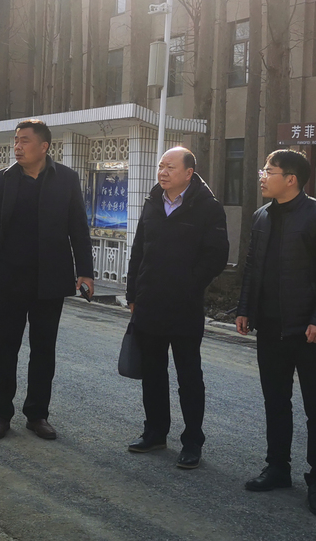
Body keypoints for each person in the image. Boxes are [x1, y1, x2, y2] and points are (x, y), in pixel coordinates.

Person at [235, 149, 316, 517]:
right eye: (263, 170)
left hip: (307, 330)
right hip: (269, 328)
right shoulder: (262, 216)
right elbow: (252, 268)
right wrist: (245, 309)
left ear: (291, 179)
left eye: (269, 171)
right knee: (275, 401)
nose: (262, 176)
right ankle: (277, 468)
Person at [0, 119, 93, 441]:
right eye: (16, 140)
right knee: (4, 348)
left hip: (50, 279)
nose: (17, 146)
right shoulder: (2, 180)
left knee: (44, 349)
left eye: (25, 141)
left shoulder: (66, 179)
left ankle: (37, 414)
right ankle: (0, 413)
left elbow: (78, 228)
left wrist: (85, 270)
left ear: (44, 146)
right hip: (8, 279)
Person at [125, 147, 229, 469]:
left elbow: (216, 256)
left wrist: (189, 284)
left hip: (185, 305)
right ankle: (155, 432)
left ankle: (192, 441)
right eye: (161, 166)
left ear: (189, 173)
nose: (163, 172)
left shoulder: (208, 207)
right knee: (153, 372)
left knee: (189, 376)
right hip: (150, 303)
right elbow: (139, 249)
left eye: (170, 167)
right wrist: (133, 292)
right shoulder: (153, 202)